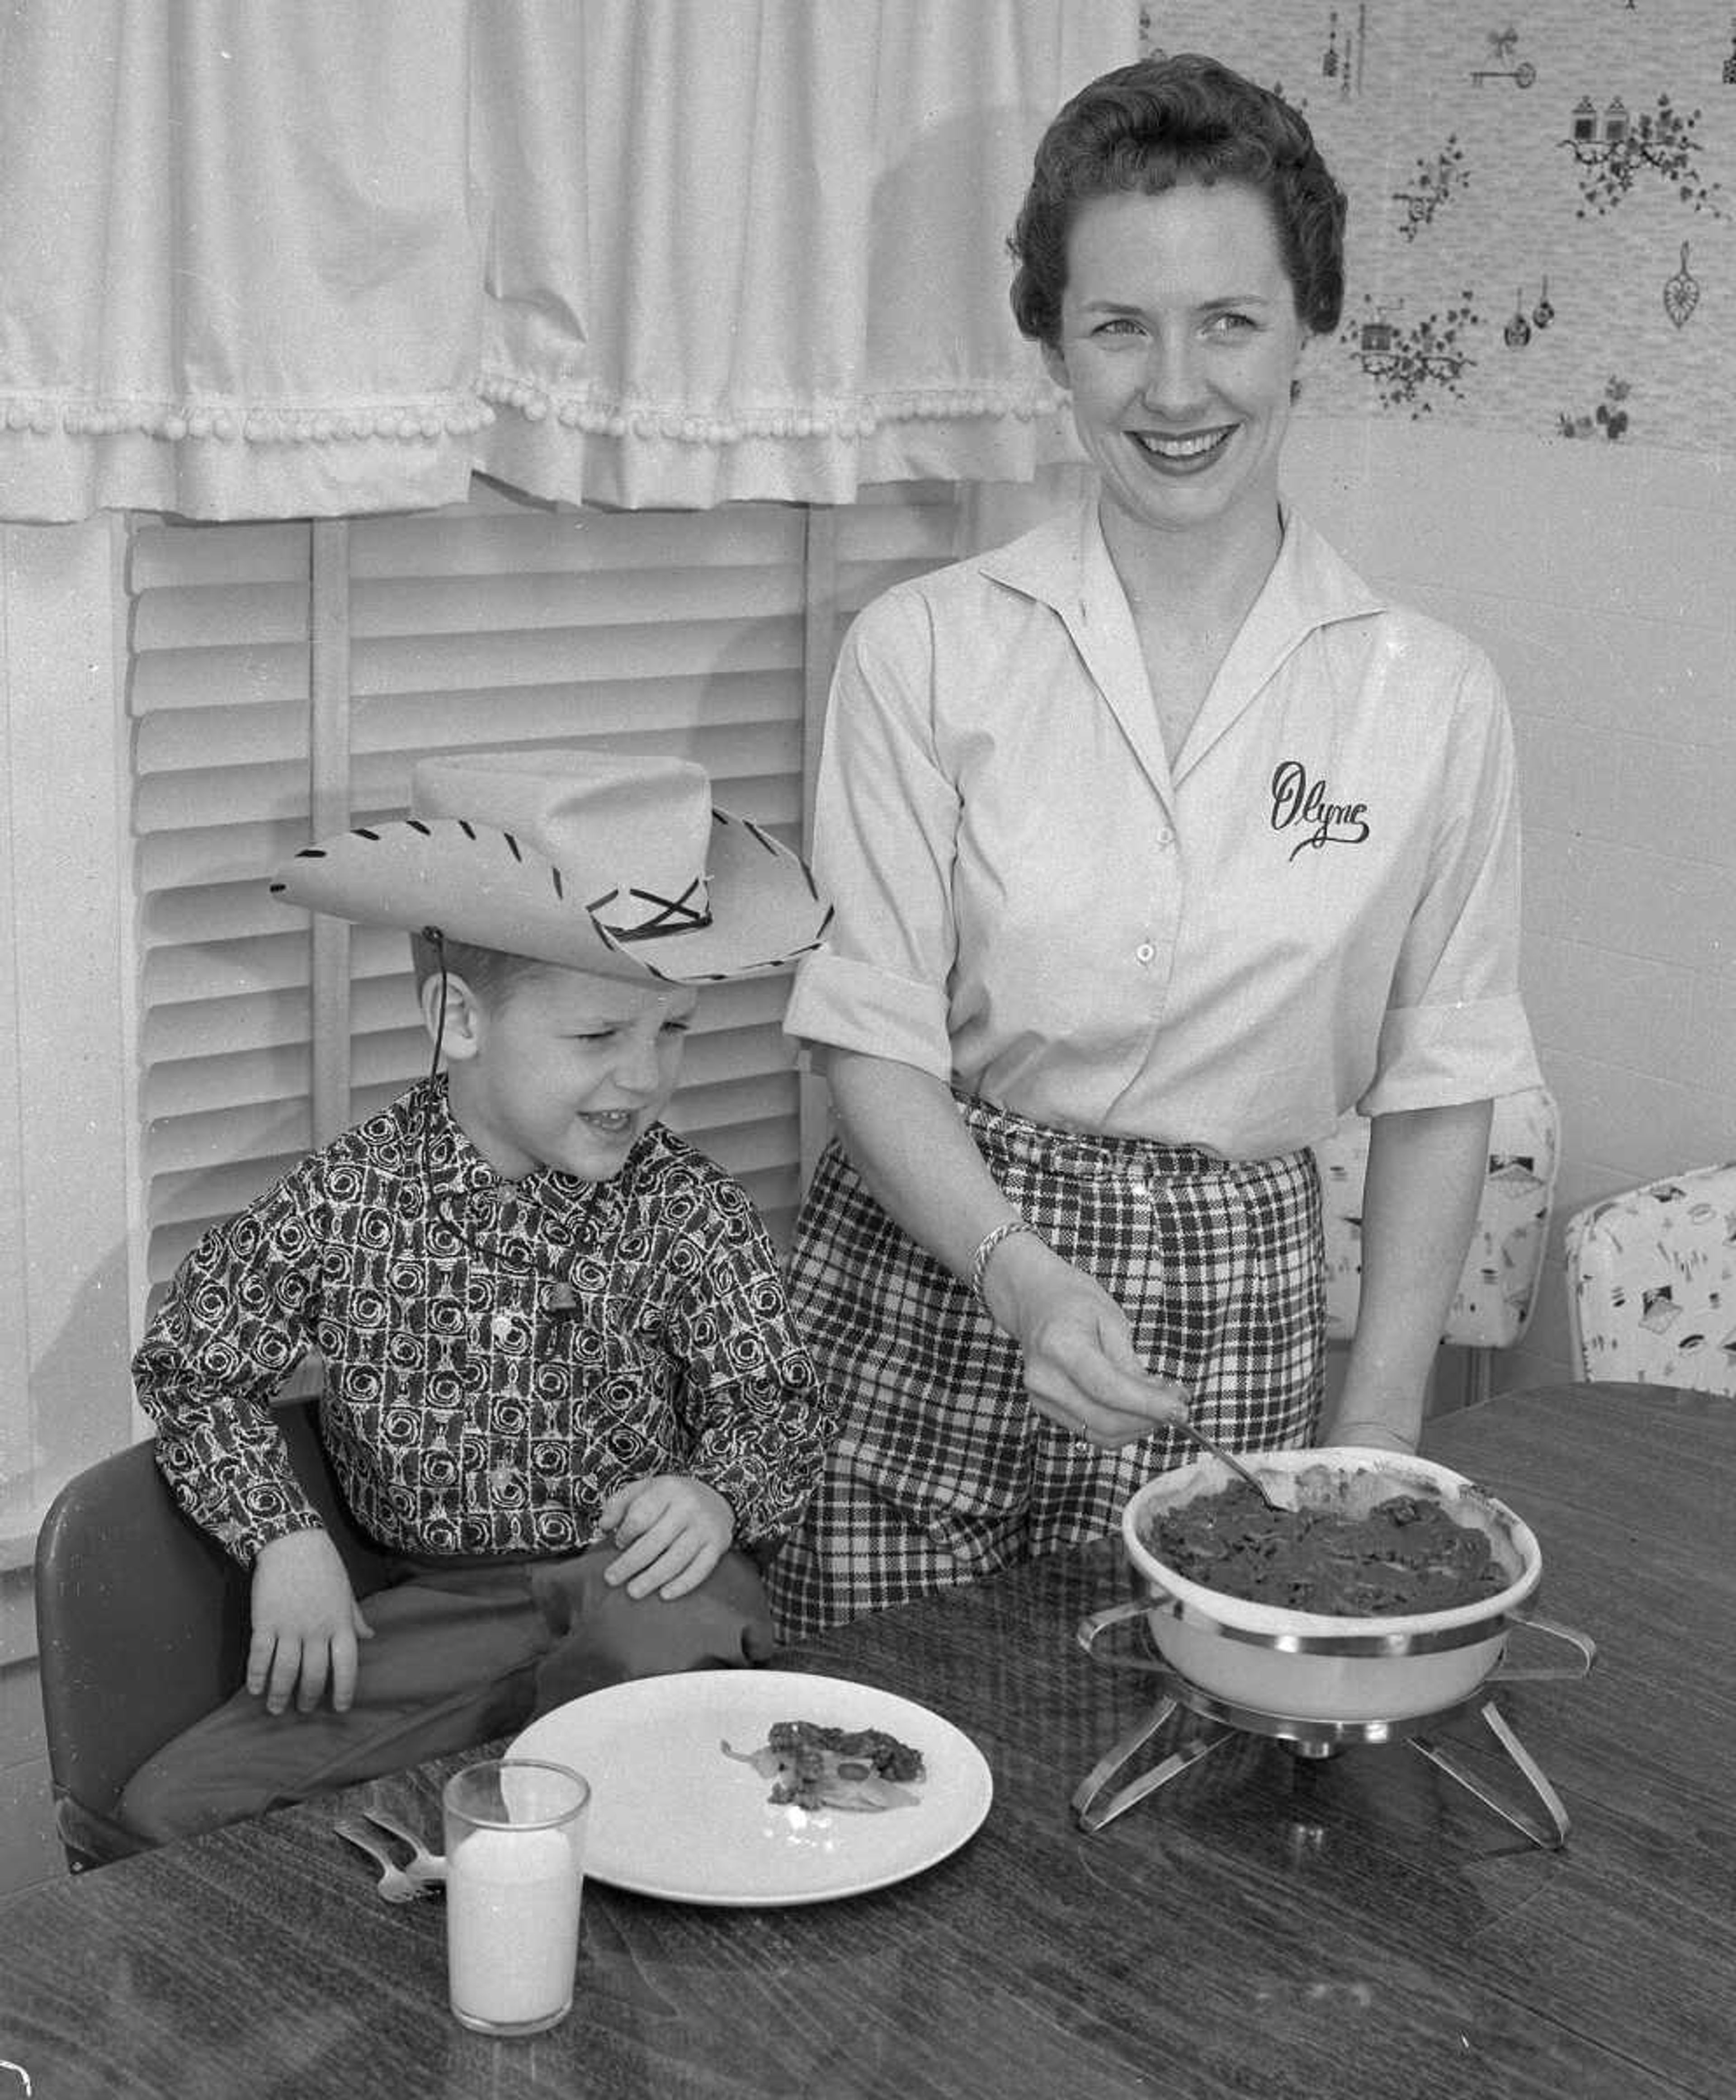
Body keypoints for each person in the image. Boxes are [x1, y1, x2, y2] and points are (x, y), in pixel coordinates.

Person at [764, 52, 1541, 1641]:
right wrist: (1020, 1273)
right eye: (1120, 325)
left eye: (1229, 323)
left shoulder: (1433, 695)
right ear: (1051, 341)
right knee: (872, 1765)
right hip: (932, 1270)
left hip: (1233, 1306)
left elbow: (1442, 1077)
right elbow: (871, 1036)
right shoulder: (924, 650)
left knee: (1186, 1819)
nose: (1175, 389)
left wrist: (1379, 1427)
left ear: (1308, 326)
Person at [119, 749, 835, 1841]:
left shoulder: (688, 1207)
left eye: (673, 1028)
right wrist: (283, 1537)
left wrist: (718, 1496)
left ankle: (578, 1848)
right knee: (175, 1807)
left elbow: (775, 1403)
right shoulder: (344, 1201)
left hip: (641, 1593)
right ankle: (476, 1878)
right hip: (442, 1615)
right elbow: (193, 1365)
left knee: (655, 1696)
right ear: (459, 1019)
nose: (645, 1077)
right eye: (600, 1035)